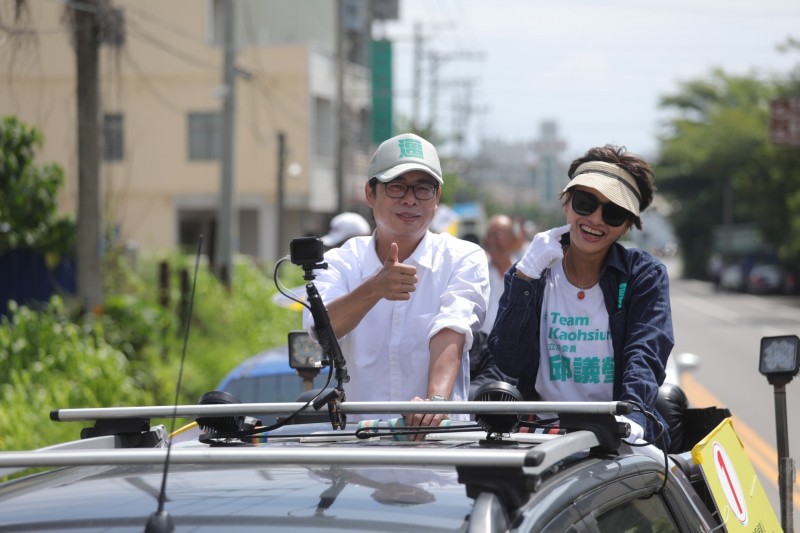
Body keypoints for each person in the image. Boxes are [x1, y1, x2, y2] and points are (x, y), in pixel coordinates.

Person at [488, 144, 674, 449]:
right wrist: (524, 278)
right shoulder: (531, 270)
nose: (596, 219)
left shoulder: (643, 275)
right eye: (586, 203)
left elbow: (646, 353)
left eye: (614, 212)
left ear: (628, 224)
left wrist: (631, 418)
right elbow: (510, 361)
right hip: (539, 437)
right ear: (567, 203)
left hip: (616, 435)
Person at [302, 133, 489, 434]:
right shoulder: (339, 261)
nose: (410, 199)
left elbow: (451, 330)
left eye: (423, 188)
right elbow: (322, 327)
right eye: (397, 186)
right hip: (360, 452)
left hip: (437, 456)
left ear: (437, 196)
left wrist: (435, 403)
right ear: (370, 193)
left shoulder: (463, 257)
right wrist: (375, 288)